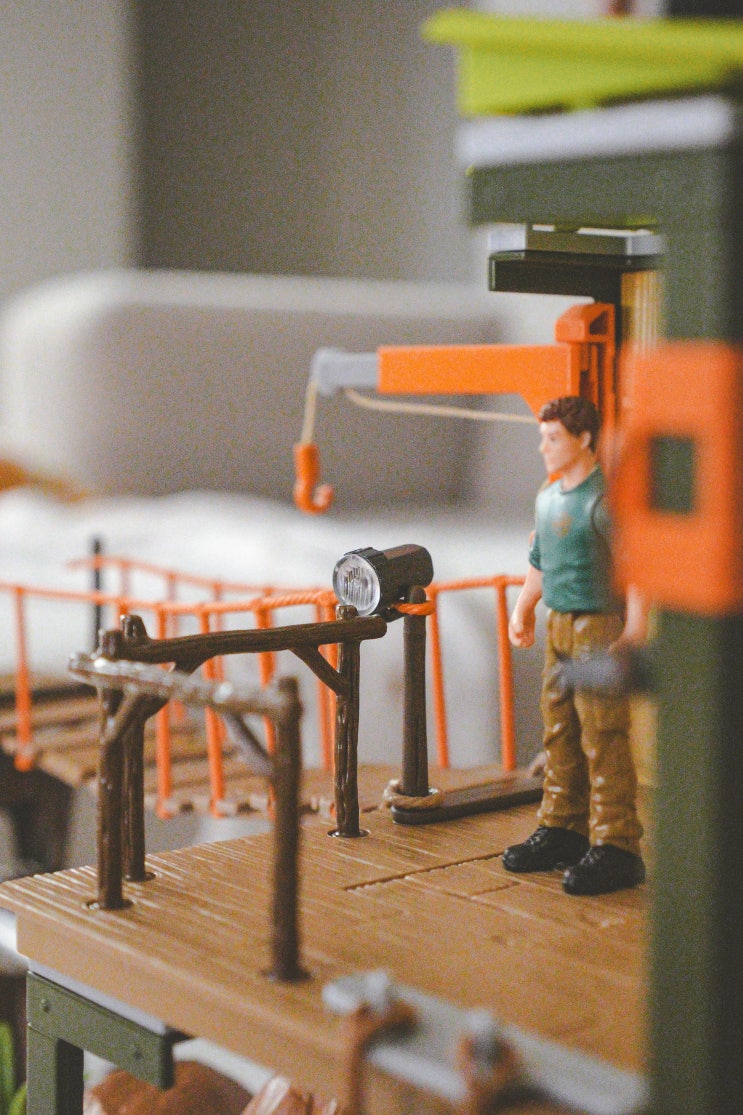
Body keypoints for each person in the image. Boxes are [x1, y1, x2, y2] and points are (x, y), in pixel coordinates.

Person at [504, 395, 646, 895]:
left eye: (552, 438)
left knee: (603, 733)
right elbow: (541, 562)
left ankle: (616, 843)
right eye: (542, 438)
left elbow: (636, 568)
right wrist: (524, 608)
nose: (543, 447)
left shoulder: (603, 501)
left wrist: (634, 629)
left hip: (597, 625)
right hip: (558, 623)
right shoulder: (548, 497)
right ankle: (563, 826)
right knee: (559, 728)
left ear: (583, 439)